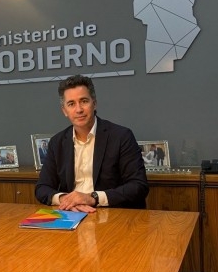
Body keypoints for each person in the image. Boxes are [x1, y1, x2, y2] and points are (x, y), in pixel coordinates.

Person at [35, 74, 149, 212]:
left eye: (84, 101)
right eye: (71, 104)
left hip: (110, 213)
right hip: (71, 213)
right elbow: (42, 188)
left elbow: (138, 186)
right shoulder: (57, 142)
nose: (79, 109)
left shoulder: (121, 136)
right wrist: (66, 199)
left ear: (94, 103)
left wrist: (93, 198)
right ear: (64, 111)